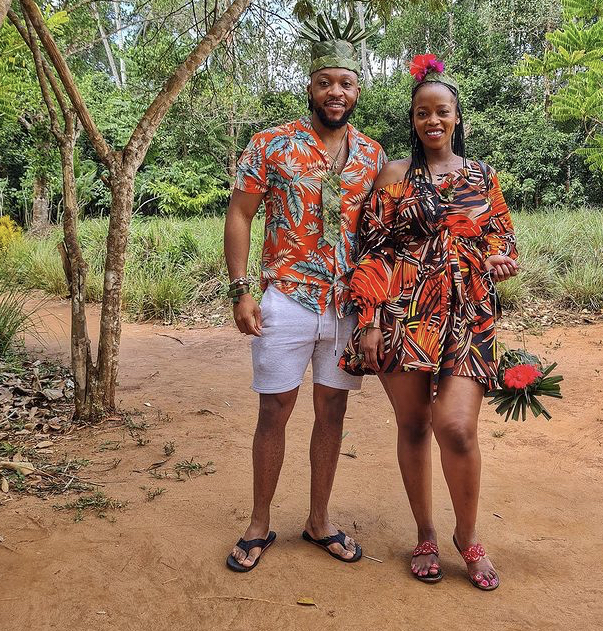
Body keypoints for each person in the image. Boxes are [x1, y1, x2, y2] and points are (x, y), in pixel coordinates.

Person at [340, 54, 518, 590]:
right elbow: (371, 249)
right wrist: (370, 318)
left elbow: (502, 238)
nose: (433, 120)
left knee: (457, 429)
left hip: (467, 313)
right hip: (404, 312)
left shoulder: (482, 176)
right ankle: (425, 533)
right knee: (414, 425)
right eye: (423, 113)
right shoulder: (394, 175)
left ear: (457, 117)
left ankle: (468, 536)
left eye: (442, 111)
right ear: (413, 120)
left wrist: (500, 259)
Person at [224, 16, 385, 572]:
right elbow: (240, 215)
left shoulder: (373, 156)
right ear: (310, 87)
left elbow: (380, 235)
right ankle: (258, 523)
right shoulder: (271, 144)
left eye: (346, 83)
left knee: (332, 410)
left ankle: (319, 521)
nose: (336, 92)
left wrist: (375, 310)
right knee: (274, 409)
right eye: (325, 82)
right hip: (286, 298)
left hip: (346, 306)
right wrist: (241, 290)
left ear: (357, 90)